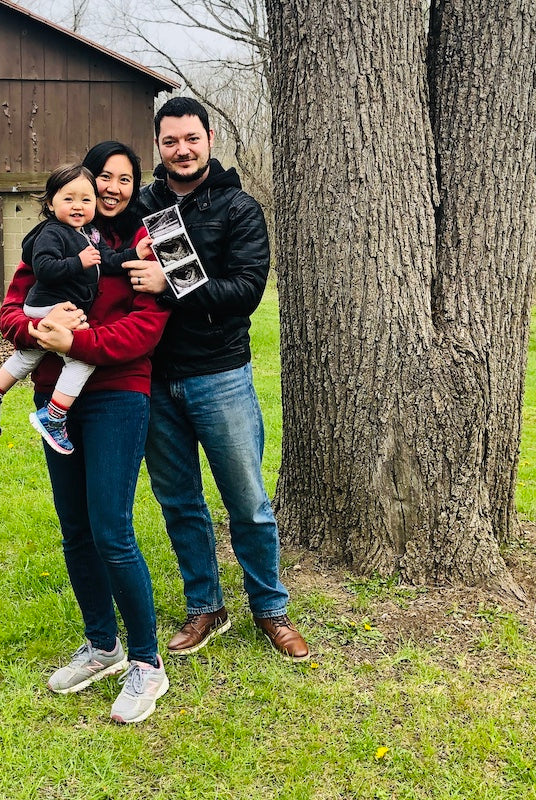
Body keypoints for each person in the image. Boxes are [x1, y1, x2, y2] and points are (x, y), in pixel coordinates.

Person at [126, 97, 310, 661]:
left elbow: (243, 295)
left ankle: (271, 608)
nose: (181, 150)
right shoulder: (141, 204)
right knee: (179, 501)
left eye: (191, 139)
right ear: (158, 145)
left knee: (248, 501)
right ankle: (206, 606)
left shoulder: (239, 208)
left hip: (220, 375)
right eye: (170, 141)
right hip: (153, 377)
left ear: (209, 139)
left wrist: (170, 282)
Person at [0, 141, 172, 723]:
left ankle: (147, 665)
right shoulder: (55, 241)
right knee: (75, 529)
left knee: (111, 529)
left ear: (135, 186)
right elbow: (10, 312)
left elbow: (144, 331)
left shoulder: (148, 248)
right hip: (54, 400)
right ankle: (104, 645)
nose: (113, 188)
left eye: (125, 179)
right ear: (83, 184)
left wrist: (77, 343)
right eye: (103, 177)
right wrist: (37, 327)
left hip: (118, 397)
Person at [0, 163, 151, 454]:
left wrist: (134, 253)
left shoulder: (90, 233)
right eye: (69, 199)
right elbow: (44, 268)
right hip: (47, 305)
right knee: (82, 361)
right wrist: (78, 262)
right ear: (51, 203)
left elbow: (109, 261)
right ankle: (54, 416)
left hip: (54, 307)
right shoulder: (51, 233)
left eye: (86, 199)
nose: (78, 206)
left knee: (30, 353)